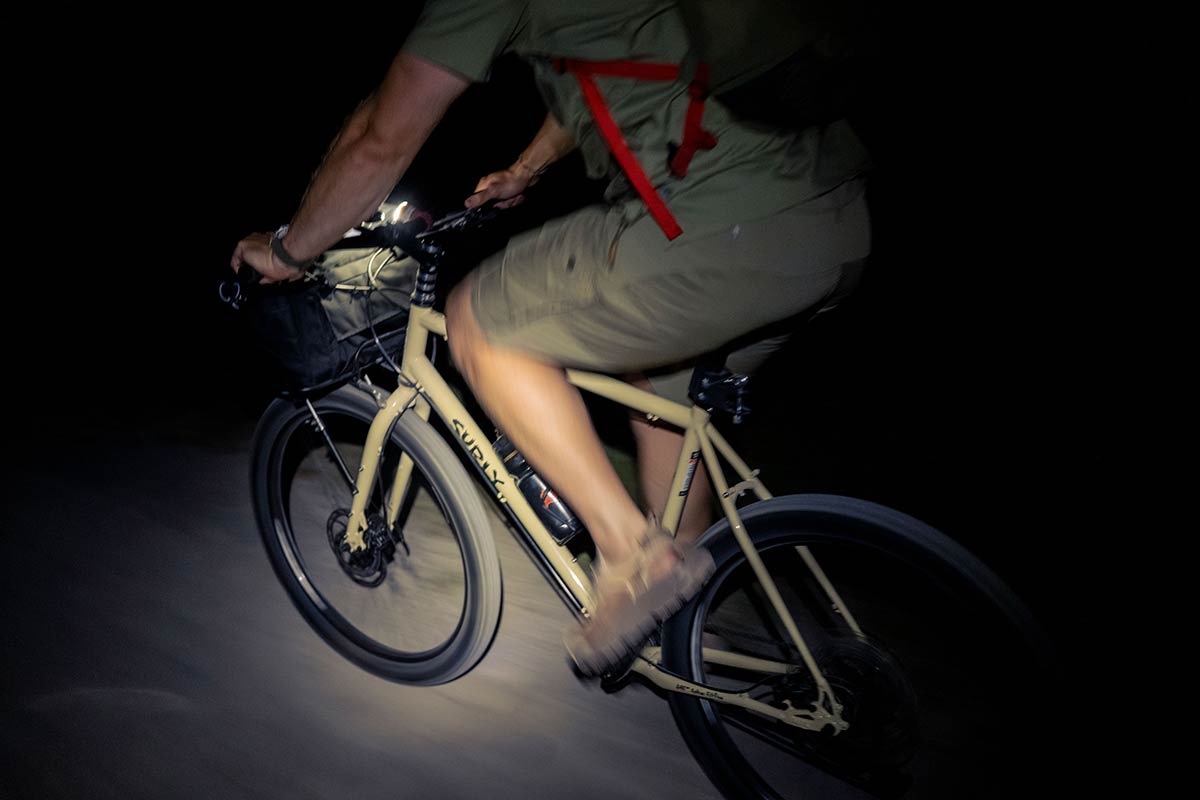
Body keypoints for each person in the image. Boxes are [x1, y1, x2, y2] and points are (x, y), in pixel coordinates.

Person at [231, 0, 871, 677]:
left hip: (719, 225)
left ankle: (633, 560)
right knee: (653, 378)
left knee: (478, 320)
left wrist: (288, 250)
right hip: (826, 221)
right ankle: (684, 601)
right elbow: (624, 59)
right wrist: (527, 169)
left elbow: (379, 138)